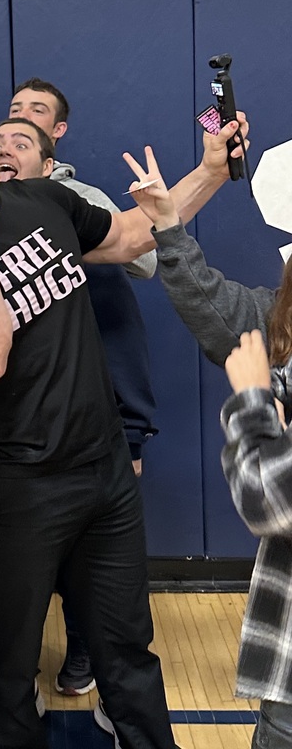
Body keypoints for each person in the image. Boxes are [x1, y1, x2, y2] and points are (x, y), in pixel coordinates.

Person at [0, 89, 245, 749]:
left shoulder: (44, 201)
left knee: (128, 655)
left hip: (103, 473)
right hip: (11, 491)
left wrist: (212, 172)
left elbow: (136, 234)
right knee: (7, 671)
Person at [123, 160, 292, 749]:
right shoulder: (280, 320)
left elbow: (272, 501)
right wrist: (169, 226)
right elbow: (214, 306)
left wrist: (251, 402)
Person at [6, 78, 160, 703]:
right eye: (13, 113)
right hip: (21, 410)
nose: (21, 120)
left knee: (92, 548)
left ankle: (87, 651)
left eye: (35, 114)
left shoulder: (75, 195)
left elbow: (144, 258)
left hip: (98, 397)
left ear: (57, 136)